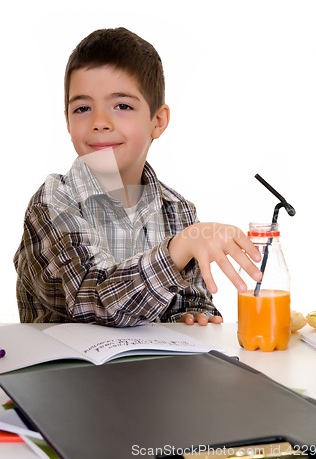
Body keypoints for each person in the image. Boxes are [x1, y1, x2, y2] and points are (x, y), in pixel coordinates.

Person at [14, 27, 261, 327]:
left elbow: (189, 299)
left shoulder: (178, 210)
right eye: (82, 108)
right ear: (67, 120)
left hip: (154, 373)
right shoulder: (53, 203)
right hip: (67, 373)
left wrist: (195, 314)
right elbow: (89, 298)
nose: (100, 122)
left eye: (122, 106)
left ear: (157, 121)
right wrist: (177, 250)